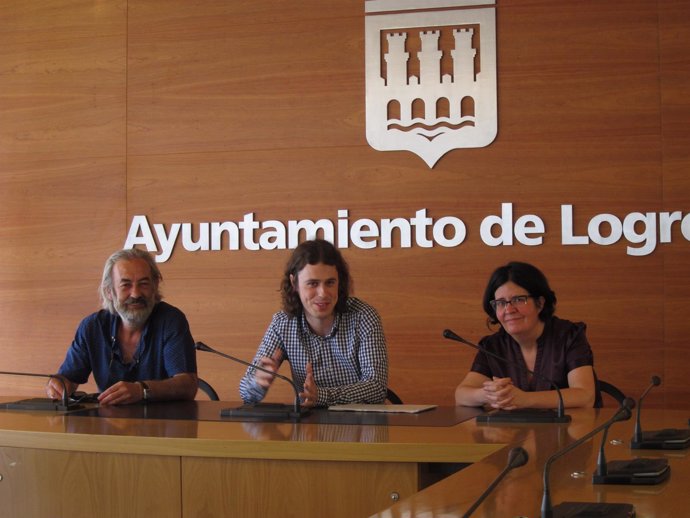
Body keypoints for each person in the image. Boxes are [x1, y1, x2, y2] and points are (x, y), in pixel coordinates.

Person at [239, 239, 388, 408]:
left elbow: (377, 388)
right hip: (308, 427)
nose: (323, 293)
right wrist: (258, 382)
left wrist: (322, 396)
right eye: (313, 284)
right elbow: (246, 393)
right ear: (294, 283)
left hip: (361, 426)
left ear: (340, 282)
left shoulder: (363, 316)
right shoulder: (283, 323)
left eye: (330, 283)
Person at [46, 248, 198, 405]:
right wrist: (59, 386)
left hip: (162, 425)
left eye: (144, 284)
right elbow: (68, 378)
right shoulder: (93, 327)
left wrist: (141, 390)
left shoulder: (171, 321)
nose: (136, 294)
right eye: (126, 285)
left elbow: (187, 385)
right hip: (108, 426)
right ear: (109, 291)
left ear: (155, 285)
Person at [454, 261, 601, 410]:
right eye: (500, 303)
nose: (509, 309)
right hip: (513, 432)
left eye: (518, 300)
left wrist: (525, 399)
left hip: (572, 430)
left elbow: (585, 396)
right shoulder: (493, 345)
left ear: (540, 303)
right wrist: (489, 394)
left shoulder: (569, 335)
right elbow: (461, 395)